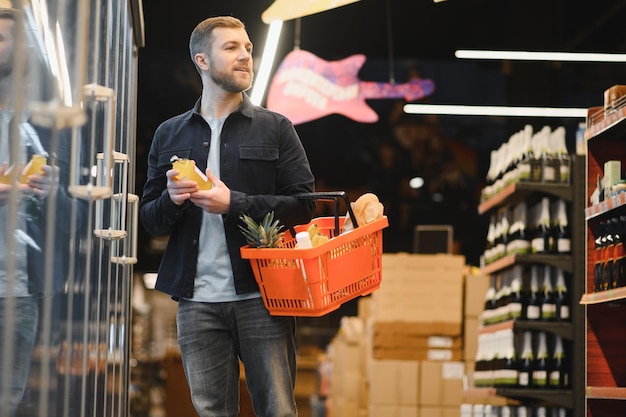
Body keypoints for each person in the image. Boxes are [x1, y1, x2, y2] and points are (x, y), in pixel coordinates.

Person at [139, 16, 315, 417]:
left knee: (278, 410)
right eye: (232, 48)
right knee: (212, 411)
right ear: (202, 60)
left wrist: (233, 202)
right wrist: (173, 199)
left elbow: (304, 205)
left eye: (248, 48)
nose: (245, 56)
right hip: (196, 301)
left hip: (262, 296)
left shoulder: (276, 129)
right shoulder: (169, 134)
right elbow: (151, 219)